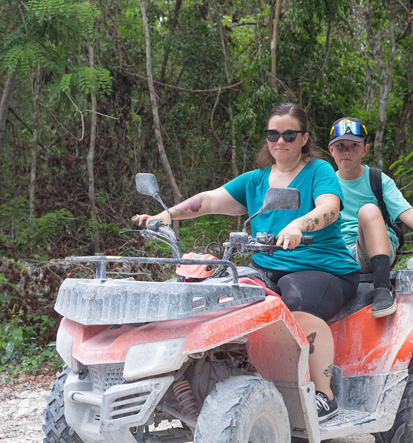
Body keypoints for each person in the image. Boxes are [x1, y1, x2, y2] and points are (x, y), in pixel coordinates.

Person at [134, 103, 359, 422]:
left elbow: (330, 207)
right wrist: (166, 215)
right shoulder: (256, 180)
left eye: (289, 134)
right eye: (273, 134)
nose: (280, 141)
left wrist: (298, 225)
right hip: (268, 268)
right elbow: (210, 200)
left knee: (298, 313)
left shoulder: (318, 171)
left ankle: (324, 394)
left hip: (322, 267)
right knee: (216, 298)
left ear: (304, 137)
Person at [328, 117, 413, 318]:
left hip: (375, 250)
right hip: (338, 252)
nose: (347, 151)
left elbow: (406, 212)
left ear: (365, 150)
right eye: (340, 145)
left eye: (354, 145)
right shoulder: (325, 182)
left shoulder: (377, 179)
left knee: (368, 210)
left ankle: (382, 289)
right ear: (331, 150)